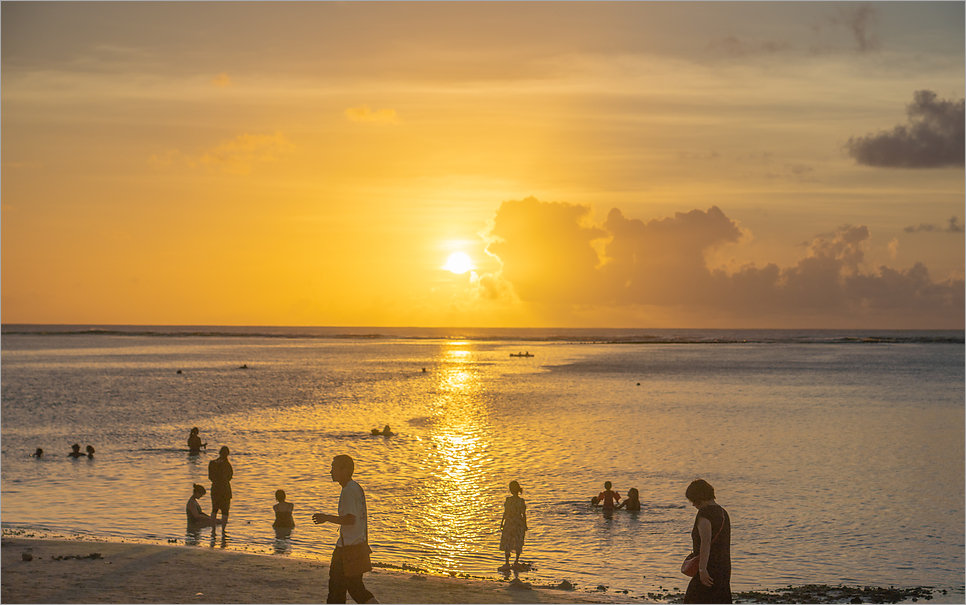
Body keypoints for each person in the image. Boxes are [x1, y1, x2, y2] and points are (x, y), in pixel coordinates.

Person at [312, 455, 378, 604]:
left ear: (345, 470)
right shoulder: (356, 488)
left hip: (348, 548)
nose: (331, 472)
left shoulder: (349, 490)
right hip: (356, 544)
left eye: (334, 468)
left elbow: (350, 519)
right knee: (354, 588)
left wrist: (326, 518)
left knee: (338, 589)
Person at [683, 479, 732, 604]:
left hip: (708, 568)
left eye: (693, 500)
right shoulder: (723, 513)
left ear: (699, 497)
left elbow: (706, 543)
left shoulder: (704, 514)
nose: (693, 504)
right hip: (723, 567)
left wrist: (702, 570)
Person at [499, 481, 528, 571]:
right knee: (518, 541)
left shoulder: (509, 500)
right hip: (518, 523)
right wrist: (525, 524)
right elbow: (523, 514)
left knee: (508, 541)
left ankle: (507, 563)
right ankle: (516, 562)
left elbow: (506, 512)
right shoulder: (521, 501)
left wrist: (502, 522)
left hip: (510, 522)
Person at [208, 446, 233, 527]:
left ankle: (213, 530)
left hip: (215, 489)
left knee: (214, 509)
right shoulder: (227, 464)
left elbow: (210, 477)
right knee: (225, 511)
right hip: (225, 489)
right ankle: (223, 531)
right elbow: (230, 476)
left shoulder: (212, 463)